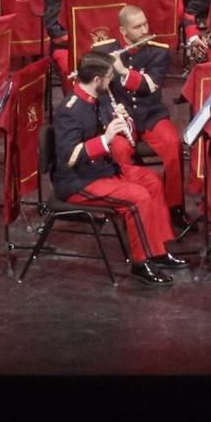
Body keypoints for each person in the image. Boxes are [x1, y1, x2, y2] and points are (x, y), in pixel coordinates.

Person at [53, 50, 186, 285]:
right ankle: (140, 262)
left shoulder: (101, 97)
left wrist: (125, 122)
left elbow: (117, 125)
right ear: (97, 80)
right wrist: (105, 139)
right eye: (108, 77)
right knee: (138, 197)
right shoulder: (69, 110)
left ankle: (157, 251)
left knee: (152, 181)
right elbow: (69, 157)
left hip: (101, 170)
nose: (111, 80)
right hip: (78, 181)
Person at [92, 4, 188, 225]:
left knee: (173, 143)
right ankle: (131, 206)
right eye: (137, 27)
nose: (144, 30)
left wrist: (123, 71)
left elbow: (150, 85)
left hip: (151, 115)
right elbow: (96, 91)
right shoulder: (103, 51)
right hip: (120, 119)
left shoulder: (159, 51)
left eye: (145, 24)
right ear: (123, 32)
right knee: (119, 149)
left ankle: (174, 207)